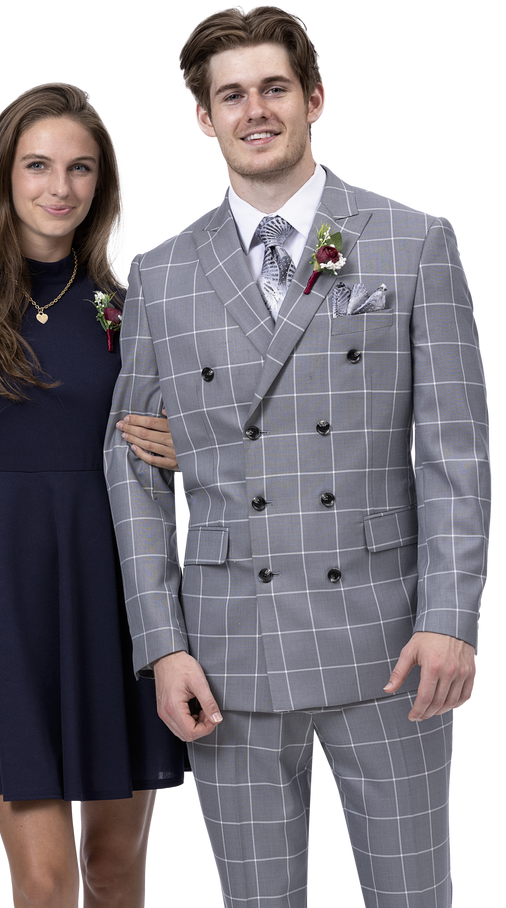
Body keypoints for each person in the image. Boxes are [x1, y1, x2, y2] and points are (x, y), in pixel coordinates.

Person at [104, 5, 491, 907]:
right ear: (203, 117)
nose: (255, 111)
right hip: (226, 653)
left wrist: (452, 618)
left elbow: (456, 454)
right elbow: (134, 474)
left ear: (316, 98)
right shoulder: (159, 274)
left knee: (413, 898)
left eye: (274, 88)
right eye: (230, 95)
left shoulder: (414, 239)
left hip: (392, 646)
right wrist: (162, 645)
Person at [0, 80, 186, 908]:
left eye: (82, 169)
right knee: (47, 880)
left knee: (119, 871)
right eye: (39, 165)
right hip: (0, 616)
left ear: (103, 185)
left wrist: (181, 449)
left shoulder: (130, 310)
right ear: (3, 177)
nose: (61, 188)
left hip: (116, 607)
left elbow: (181, 450)